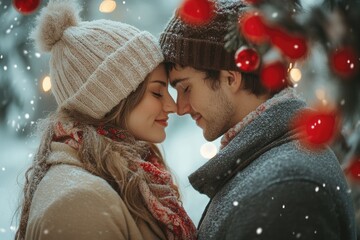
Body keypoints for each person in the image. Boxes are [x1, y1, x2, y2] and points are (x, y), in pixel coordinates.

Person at [159, 0, 356, 239]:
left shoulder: (285, 188)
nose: (180, 108)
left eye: (186, 88)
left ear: (231, 78)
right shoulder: (271, 167)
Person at [15, 1, 197, 239]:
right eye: (156, 92)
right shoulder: (79, 205)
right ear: (112, 100)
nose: (172, 106)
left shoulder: (124, 176)